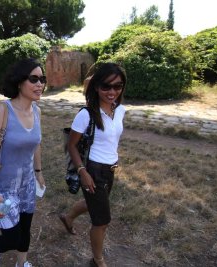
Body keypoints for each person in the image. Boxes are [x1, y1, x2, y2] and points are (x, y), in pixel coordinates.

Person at [0, 58, 46, 267]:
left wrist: (38, 171)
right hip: (4, 186)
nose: (40, 84)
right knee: (12, 237)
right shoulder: (2, 111)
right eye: (33, 79)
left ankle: (22, 263)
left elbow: (36, 144)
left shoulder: (36, 111)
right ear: (19, 82)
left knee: (25, 230)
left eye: (42, 79)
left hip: (26, 184)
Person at [64, 62, 127, 267]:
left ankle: (67, 217)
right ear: (96, 87)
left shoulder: (120, 110)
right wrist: (83, 172)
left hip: (110, 169)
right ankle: (97, 260)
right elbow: (71, 145)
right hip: (93, 170)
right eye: (106, 86)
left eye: (117, 86)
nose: (112, 91)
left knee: (95, 204)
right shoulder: (86, 114)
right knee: (101, 221)